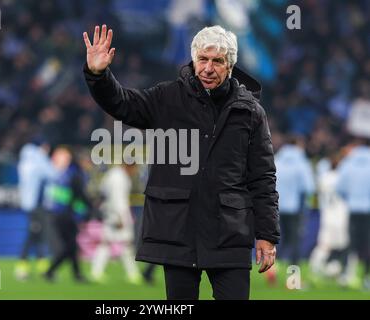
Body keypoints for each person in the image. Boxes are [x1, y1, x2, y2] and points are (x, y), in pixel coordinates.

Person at [83, 24, 280, 300]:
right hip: (178, 233)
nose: (208, 68)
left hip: (229, 234)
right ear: (193, 59)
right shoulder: (167, 97)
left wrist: (267, 235)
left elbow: (263, 178)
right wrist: (98, 75)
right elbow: (122, 104)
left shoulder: (251, 113)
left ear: (231, 66)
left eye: (217, 61)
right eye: (203, 59)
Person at [43, 146, 92, 283]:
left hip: (59, 214)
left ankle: (76, 275)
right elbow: (80, 195)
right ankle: (50, 271)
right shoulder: (76, 175)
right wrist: (90, 208)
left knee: (71, 246)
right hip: (66, 215)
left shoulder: (67, 173)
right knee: (70, 247)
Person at [90, 163, 142, 284]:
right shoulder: (119, 178)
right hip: (118, 215)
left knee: (107, 243)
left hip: (110, 212)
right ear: (130, 166)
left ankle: (96, 272)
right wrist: (120, 218)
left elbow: (103, 190)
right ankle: (132, 274)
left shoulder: (113, 174)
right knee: (126, 244)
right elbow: (119, 200)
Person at [15, 138, 57, 281]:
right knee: (34, 235)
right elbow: (53, 174)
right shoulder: (38, 159)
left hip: (30, 204)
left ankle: (41, 267)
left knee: (38, 234)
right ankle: (22, 267)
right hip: (37, 205)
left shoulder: (25, 160)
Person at [275, 136, 315, 266]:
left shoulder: (276, 160)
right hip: (295, 207)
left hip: (276, 206)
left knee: (277, 237)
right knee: (295, 238)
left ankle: (275, 263)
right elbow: (309, 187)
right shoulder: (301, 162)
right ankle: (293, 266)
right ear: (298, 144)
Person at [309, 153, 349, 282]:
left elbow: (317, 193)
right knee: (344, 245)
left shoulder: (324, 178)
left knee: (324, 245)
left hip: (327, 215)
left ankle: (314, 267)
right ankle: (345, 274)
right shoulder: (342, 178)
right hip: (341, 215)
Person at [336, 139, 370, 290]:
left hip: (353, 208)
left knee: (351, 242)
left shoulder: (349, 162)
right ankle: (367, 278)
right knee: (368, 244)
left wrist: (350, 199)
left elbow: (340, 187)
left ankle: (346, 275)